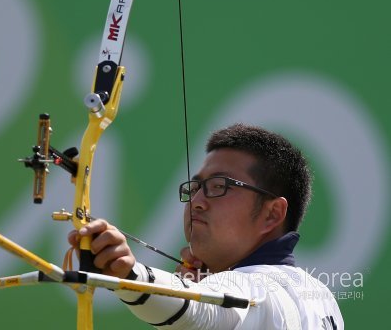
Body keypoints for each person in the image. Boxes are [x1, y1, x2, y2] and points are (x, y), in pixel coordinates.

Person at [68, 123, 344, 329]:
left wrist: (129, 274)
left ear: (272, 214)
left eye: (218, 186)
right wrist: (199, 285)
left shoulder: (256, 288)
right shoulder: (322, 298)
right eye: (196, 187)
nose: (197, 201)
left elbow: (204, 311)